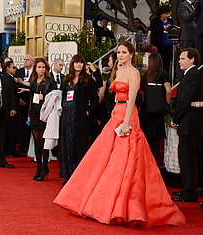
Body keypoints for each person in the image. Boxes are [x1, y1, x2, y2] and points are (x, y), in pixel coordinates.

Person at [54, 41, 185, 227]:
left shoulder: (133, 73)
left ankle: (122, 204)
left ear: (131, 54)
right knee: (103, 157)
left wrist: (126, 123)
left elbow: (132, 100)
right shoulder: (119, 71)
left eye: (124, 52)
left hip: (127, 117)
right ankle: (99, 200)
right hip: (116, 115)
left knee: (124, 158)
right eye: (119, 52)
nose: (120, 55)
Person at [59, 54, 98, 185]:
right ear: (72, 64)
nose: (79, 65)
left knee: (79, 146)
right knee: (66, 145)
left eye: (81, 62)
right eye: (76, 62)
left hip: (80, 117)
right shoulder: (66, 79)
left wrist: (88, 112)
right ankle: (67, 175)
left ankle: (78, 176)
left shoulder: (88, 80)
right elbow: (63, 96)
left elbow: (95, 99)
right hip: (66, 117)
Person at [171, 48, 203, 203]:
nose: (179, 61)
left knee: (188, 158)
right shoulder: (190, 75)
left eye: (182, 58)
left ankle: (189, 193)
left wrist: (175, 119)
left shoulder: (193, 75)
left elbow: (184, 100)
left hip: (189, 122)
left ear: (192, 60)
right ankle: (187, 190)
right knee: (186, 158)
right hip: (189, 121)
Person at [139, 52, 171, 163]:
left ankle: (144, 166)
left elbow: (141, 92)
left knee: (145, 143)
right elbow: (168, 90)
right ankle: (154, 168)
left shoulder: (145, 75)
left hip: (145, 112)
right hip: (157, 113)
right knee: (156, 145)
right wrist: (166, 103)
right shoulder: (162, 74)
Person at [28, 58, 56, 180]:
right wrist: (29, 113)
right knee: (36, 142)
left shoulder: (50, 81)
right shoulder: (33, 81)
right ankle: (39, 167)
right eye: (39, 67)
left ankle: (45, 166)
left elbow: (54, 98)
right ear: (35, 68)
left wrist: (43, 97)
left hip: (45, 113)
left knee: (44, 142)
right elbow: (30, 98)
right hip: (34, 113)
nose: (41, 69)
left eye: (43, 67)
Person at [14, 54, 34, 156]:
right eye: (24, 59)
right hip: (21, 103)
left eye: (27, 60)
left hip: (33, 102)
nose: (25, 61)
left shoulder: (36, 72)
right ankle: (21, 147)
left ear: (32, 61)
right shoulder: (19, 72)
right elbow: (15, 86)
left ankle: (29, 146)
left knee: (31, 126)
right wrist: (19, 99)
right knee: (21, 125)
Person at [150, 5, 174, 72]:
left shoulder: (170, 20)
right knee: (160, 60)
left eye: (168, 13)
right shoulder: (155, 20)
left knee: (167, 61)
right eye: (165, 14)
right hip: (160, 43)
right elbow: (154, 30)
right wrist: (164, 28)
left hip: (169, 43)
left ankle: (166, 74)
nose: (167, 15)